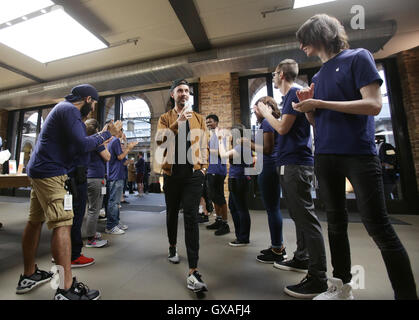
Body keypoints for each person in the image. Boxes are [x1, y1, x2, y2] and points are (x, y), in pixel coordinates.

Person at [292, 14, 417, 300]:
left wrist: (320, 102)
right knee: (335, 224)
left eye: (304, 40)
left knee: (378, 226)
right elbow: (317, 122)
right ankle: (341, 289)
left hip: (359, 155)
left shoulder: (359, 57)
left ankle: (406, 294)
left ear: (320, 34)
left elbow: (373, 105)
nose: (301, 47)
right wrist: (309, 108)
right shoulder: (319, 76)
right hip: (325, 156)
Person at [18, 84, 121, 300]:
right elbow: (82, 144)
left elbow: (74, 147)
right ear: (87, 99)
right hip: (51, 172)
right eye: (93, 104)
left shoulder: (62, 110)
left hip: (40, 170)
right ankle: (65, 289)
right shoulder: (69, 110)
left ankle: (28, 275)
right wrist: (105, 134)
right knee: (63, 225)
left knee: (35, 221)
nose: (92, 110)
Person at [257, 59, 328, 299]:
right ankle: (301, 258)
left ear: (281, 74)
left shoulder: (295, 92)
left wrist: (267, 112)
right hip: (289, 162)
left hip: (297, 163)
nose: (274, 78)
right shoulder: (292, 96)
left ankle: (318, 277)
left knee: (306, 217)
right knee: (298, 215)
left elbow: (283, 128)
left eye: (275, 74)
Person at [155, 79, 209, 292]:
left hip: (194, 175)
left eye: (187, 91)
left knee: (190, 218)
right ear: (173, 95)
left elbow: (203, 144)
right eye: (180, 91)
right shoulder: (165, 118)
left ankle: (193, 271)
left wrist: (203, 168)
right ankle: (172, 246)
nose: (184, 94)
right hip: (172, 174)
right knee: (171, 214)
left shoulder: (200, 119)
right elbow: (160, 140)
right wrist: (178, 121)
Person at [251, 96, 287, 263]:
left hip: (269, 167)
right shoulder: (268, 123)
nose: (254, 111)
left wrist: (247, 143)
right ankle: (277, 246)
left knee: (272, 209)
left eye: (256, 108)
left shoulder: (267, 122)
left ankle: (277, 249)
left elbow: (267, 149)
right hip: (271, 166)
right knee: (273, 208)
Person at [218, 124, 252, 247]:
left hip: (239, 180)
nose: (230, 136)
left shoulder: (241, 148)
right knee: (233, 207)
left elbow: (223, 155)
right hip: (236, 179)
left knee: (241, 209)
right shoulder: (240, 147)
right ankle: (240, 235)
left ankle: (243, 238)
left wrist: (220, 140)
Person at [106, 128, 137, 234]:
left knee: (116, 202)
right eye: (121, 130)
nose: (123, 133)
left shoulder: (114, 141)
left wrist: (129, 160)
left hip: (117, 175)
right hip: (115, 175)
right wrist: (129, 148)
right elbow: (120, 157)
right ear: (118, 131)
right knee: (114, 202)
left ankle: (115, 222)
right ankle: (111, 226)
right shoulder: (114, 141)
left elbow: (123, 161)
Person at [85, 118, 110, 248]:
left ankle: (91, 232)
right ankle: (91, 239)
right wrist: (104, 143)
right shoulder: (97, 142)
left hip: (88, 177)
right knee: (95, 209)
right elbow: (107, 157)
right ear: (96, 130)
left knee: (91, 208)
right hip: (96, 178)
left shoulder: (87, 140)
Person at [205, 114, 229, 235]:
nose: (208, 124)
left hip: (218, 170)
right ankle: (219, 220)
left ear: (216, 122)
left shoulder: (221, 134)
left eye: (210, 122)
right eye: (207, 122)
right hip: (211, 169)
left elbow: (222, 153)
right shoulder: (213, 135)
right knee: (214, 196)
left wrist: (207, 148)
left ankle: (225, 224)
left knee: (219, 197)